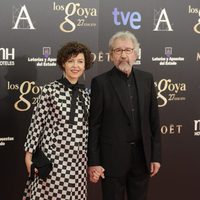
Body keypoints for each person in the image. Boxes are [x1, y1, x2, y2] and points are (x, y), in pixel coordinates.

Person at [88, 31, 161, 200]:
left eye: (128, 50)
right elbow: (94, 125)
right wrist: (94, 161)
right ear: (110, 55)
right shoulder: (100, 83)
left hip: (142, 159)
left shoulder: (147, 79)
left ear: (136, 54)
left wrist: (155, 156)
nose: (123, 55)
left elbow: (154, 121)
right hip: (111, 161)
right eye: (118, 50)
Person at [22, 41, 93, 200]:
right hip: (52, 160)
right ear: (63, 64)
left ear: (85, 65)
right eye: (71, 61)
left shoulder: (86, 95)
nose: (76, 66)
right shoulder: (50, 90)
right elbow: (36, 124)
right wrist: (28, 156)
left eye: (80, 61)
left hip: (78, 164)